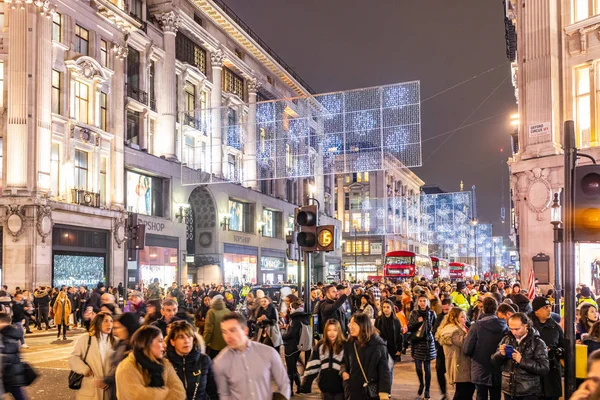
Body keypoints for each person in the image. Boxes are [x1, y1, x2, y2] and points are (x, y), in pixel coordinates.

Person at [213, 312, 290, 399]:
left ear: (245, 331)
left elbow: (284, 383)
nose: (228, 336)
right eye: (224, 332)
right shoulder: (220, 362)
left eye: (232, 330)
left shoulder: (268, 353)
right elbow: (224, 394)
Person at [115, 325, 186, 399]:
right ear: (147, 343)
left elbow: (180, 393)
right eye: (160, 341)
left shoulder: (165, 364)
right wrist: (165, 391)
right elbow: (136, 397)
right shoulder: (127, 367)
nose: (164, 345)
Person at [491, 313, 550, 400]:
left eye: (517, 329)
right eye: (511, 329)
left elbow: (544, 368)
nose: (514, 332)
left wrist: (522, 361)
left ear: (526, 326)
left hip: (528, 392)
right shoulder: (506, 339)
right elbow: (494, 362)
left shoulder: (538, 343)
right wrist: (500, 354)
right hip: (508, 390)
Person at [463, 296, 508, 400]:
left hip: (480, 368)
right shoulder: (504, 326)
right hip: (498, 368)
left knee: (481, 396)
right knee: (496, 396)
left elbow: (466, 349)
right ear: (496, 309)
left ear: (482, 308)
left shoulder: (476, 327)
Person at [341, 312, 391, 400]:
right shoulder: (350, 343)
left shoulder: (378, 345)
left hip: (370, 393)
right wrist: (344, 373)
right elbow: (344, 361)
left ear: (363, 325)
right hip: (353, 391)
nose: (350, 326)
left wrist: (384, 393)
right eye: (350, 323)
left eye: (353, 324)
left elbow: (384, 371)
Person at [68, 312, 117, 400]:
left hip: (109, 390)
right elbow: (73, 357)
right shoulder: (85, 339)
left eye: (111, 321)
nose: (109, 324)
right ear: (98, 323)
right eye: (105, 321)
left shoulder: (116, 341)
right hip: (89, 389)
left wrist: (109, 379)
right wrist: (84, 369)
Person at [166, 320, 218, 400]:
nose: (186, 341)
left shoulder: (204, 360)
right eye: (181, 337)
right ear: (172, 342)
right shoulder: (165, 363)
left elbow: (213, 391)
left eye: (189, 336)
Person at [299, 319, 346, 399]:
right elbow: (313, 365)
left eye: (335, 330)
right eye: (329, 330)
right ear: (325, 331)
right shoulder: (321, 345)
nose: (332, 333)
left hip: (341, 388)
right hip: (325, 388)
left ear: (339, 331)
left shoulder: (345, 345)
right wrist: (305, 385)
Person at [529, 297, 564, 400]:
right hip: (532, 377)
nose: (549, 310)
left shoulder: (556, 327)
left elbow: (563, 347)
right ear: (536, 311)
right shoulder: (527, 326)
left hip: (551, 376)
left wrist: (557, 351)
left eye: (549, 307)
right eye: (545, 307)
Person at [435, 307, 474, 399]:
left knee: (468, 391)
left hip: (464, 364)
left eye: (465, 317)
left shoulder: (461, 327)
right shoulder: (452, 331)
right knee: (462, 392)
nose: (465, 319)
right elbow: (464, 342)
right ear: (455, 318)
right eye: (462, 317)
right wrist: (473, 331)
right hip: (459, 365)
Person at [408, 294, 437, 400]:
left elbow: (435, 326)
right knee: (418, 367)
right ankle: (421, 383)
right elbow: (410, 327)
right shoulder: (414, 313)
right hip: (417, 343)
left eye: (424, 301)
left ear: (427, 302)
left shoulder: (432, 313)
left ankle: (427, 390)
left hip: (428, 343)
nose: (422, 303)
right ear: (417, 302)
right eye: (420, 301)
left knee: (428, 368)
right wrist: (418, 322)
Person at [106, 313, 140, 400]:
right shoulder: (121, 344)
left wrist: (108, 380)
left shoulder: (138, 348)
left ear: (128, 327)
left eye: (118, 328)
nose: (115, 332)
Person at [282, 299, 310, 394]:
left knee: (290, 370)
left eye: (289, 307)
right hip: (297, 346)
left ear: (292, 308)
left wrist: (282, 336)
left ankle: (290, 391)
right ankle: (299, 387)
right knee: (293, 368)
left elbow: (291, 334)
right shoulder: (303, 317)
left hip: (291, 347)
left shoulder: (295, 319)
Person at [374, 299, 403, 386]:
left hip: (392, 349)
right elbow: (375, 335)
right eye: (384, 307)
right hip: (381, 349)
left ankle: (388, 390)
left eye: (388, 307)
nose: (385, 309)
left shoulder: (396, 321)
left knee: (389, 370)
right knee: (381, 370)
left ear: (392, 308)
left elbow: (399, 336)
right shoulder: (379, 320)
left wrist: (399, 349)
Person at [0, 312, 27, 399]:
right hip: (13, 373)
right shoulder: (14, 333)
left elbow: (7, 355)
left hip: (9, 373)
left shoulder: (7, 334)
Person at [433, 298, 452, 400]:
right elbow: (434, 331)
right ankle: (444, 393)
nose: (445, 312)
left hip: (454, 352)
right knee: (439, 370)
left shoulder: (458, 316)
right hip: (441, 350)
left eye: (447, 310)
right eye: (443, 309)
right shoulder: (439, 317)